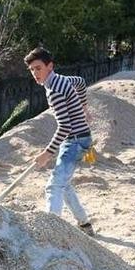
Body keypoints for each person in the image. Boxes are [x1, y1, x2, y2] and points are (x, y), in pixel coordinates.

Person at [24, 47, 95, 236]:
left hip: (75, 141)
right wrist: (84, 108)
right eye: (32, 70)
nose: (35, 73)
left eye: (38, 68)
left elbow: (64, 127)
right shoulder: (62, 80)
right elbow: (80, 82)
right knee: (64, 184)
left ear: (50, 66)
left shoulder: (54, 90)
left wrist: (47, 153)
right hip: (81, 138)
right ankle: (85, 224)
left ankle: (51, 234)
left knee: (54, 186)